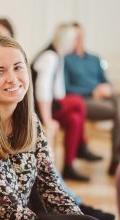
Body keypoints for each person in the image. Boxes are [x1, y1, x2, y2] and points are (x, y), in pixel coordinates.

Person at [0, 35, 100, 220]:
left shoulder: (31, 121)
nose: (12, 79)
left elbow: (52, 190)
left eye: (18, 68)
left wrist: (77, 217)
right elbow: (10, 211)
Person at [31, 23, 102, 182]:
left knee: (74, 119)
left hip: (50, 105)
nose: (75, 44)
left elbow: (58, 92)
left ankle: (69, 166)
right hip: (37, 108)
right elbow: (42, 91)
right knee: (77, 101)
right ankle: (82, 147)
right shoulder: (50, 57)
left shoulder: (59, 56)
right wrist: (47, 120)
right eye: (73, 40)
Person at [64, 22, 120, 175]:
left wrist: (105, 88)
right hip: (84, 100)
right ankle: (117, 158)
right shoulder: (66, 60)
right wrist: (92, 91)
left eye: (80, 36)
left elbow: (105, 80)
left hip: (103, 97)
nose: (78, 39)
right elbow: (66, 88)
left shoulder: (94, 59)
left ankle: (116, 158)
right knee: (117, 110)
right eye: (74, 37)